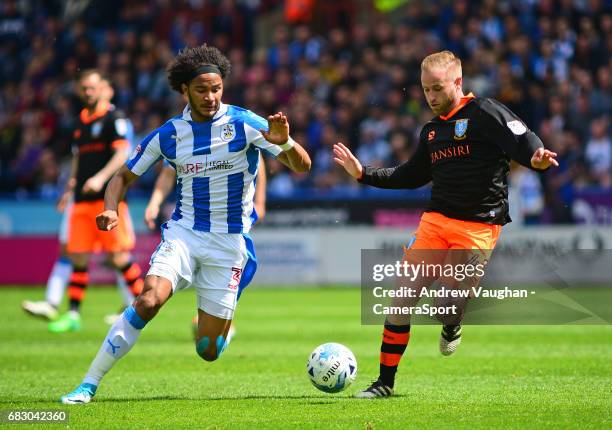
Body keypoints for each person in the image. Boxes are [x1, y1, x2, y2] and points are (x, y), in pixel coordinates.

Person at [60, 44, 311, 404]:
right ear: (184, 90)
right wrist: (111, 207)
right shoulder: (169, 134)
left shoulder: (245, 123)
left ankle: (218, 328)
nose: (210, 97)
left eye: (216, 89)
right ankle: (88, 384)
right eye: (202, 90)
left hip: (229, 243)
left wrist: (284, 141)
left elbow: (303, 166)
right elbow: (122, 176)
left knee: (208, 350)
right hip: (185, 234)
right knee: (149, 300)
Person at [333, 51, 558, 398]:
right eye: (426, 90)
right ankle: (384, 384)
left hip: (478, 228)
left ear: (458, 82)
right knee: (401, 299)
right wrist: (364, 174)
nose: (431, 97)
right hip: (435, 222)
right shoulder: (432, 131)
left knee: (445, 307)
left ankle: (452, 324)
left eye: (437, 88)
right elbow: (411, 175)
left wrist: (536, 157)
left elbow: (524, 139)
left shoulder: (486, 112)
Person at [23, 76, 143, 330]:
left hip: (108, 199)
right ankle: (73, 316)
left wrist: (100, 179)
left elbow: (122, 153)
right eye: (85, 88)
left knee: (119, 257)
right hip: (80, 201)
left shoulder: (115, 118)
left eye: (93, 87)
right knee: (78, 256)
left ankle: (142, 307)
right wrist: (71, 186)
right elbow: (79, 158)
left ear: (103, 89)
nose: (88, 92)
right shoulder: (81, 121)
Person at [144, 157, 267, 341]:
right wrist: (154, 203)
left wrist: (255, 206)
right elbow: (168, 172)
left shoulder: (244, 135)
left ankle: (221, 327)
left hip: (230, 230)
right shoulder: (186, 134)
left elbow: (259, 170)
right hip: (192, 228)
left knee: (209, 343)